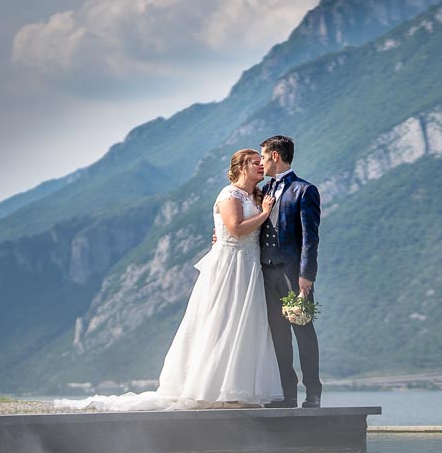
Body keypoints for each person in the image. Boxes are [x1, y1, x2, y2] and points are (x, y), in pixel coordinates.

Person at [60, 150, 283, 410]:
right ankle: (212, 389)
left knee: (245, 323)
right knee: (222, 321)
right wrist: (265, 213)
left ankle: (236, 389)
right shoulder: (229, 194)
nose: (260, 166)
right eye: (255, 163)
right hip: (230, 266)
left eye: (260, 162)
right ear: (242, 167)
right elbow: (235, 228)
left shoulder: (255, 195)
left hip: (249, 265)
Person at [257, 134, 321, 407]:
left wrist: (307, 275)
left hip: (293, 274)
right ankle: (288, 395)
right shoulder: (264, 190)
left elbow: (310, 237)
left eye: (262, 156)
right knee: (278, 335)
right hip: (266, 270)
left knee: (302, 331)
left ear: (275, 156)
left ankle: (313, 393)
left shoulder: (304, 191)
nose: (260, 162)